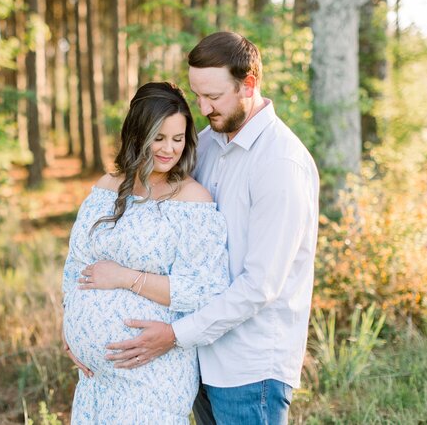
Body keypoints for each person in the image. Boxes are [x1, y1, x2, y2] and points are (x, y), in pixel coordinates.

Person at [88, 32, 320, 425]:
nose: (204, 107)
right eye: (198, 96)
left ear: (248, 84)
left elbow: (260, 285)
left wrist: (175, 334)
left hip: (249, 368)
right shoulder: (206, 145)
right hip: (197, 361)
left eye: (214, 97)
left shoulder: (280, 163)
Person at [61, 81, 230, 425]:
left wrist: (125, 278)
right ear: (137, 135)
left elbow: (204, 289)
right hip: (95, 381)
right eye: (159, 138)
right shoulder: (107, 187)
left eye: (178, 139)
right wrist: (69, 329)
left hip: (151, 374)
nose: (170, 149)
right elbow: (76, 264)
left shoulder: (192, 201)